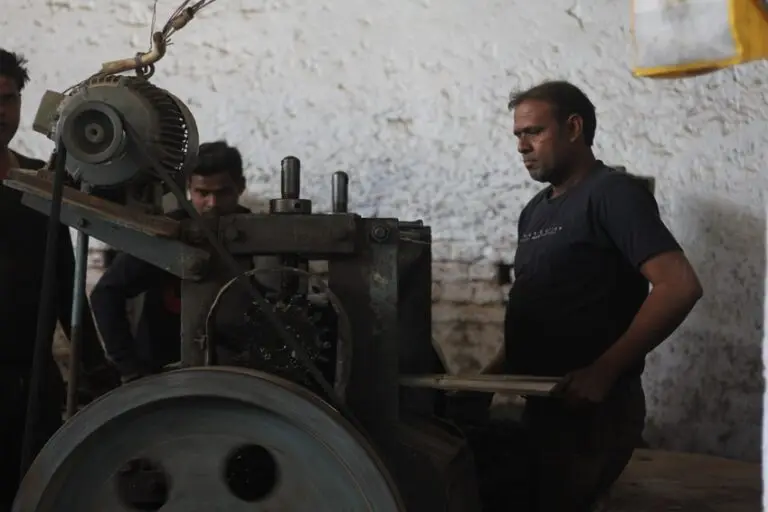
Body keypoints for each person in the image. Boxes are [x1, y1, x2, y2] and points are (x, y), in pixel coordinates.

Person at [484, 81, 703, 511]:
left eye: (533, 132)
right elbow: (542, 309)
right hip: (543, 407)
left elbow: (679, 285)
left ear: (573, 127)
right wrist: (487, 380)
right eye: (517, 136)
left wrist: (603, 371)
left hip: (592, 415)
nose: (522, 147)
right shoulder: (536, 209)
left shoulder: (612, 194)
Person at [0, 49, 119, 510]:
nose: (0, 111)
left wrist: (99, 374)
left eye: (8, 99)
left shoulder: (39, 182)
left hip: (32, 390)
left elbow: (65, 279)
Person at [90, 141, 251, 382]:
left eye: (222, 192)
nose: (212, 205)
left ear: (241, 186)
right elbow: (106, 293)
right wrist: (130, 367)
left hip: (240, 375)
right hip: (163, 376)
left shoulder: (257, 234)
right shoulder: (169, 233)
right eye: (203, 193)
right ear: (189, 188)